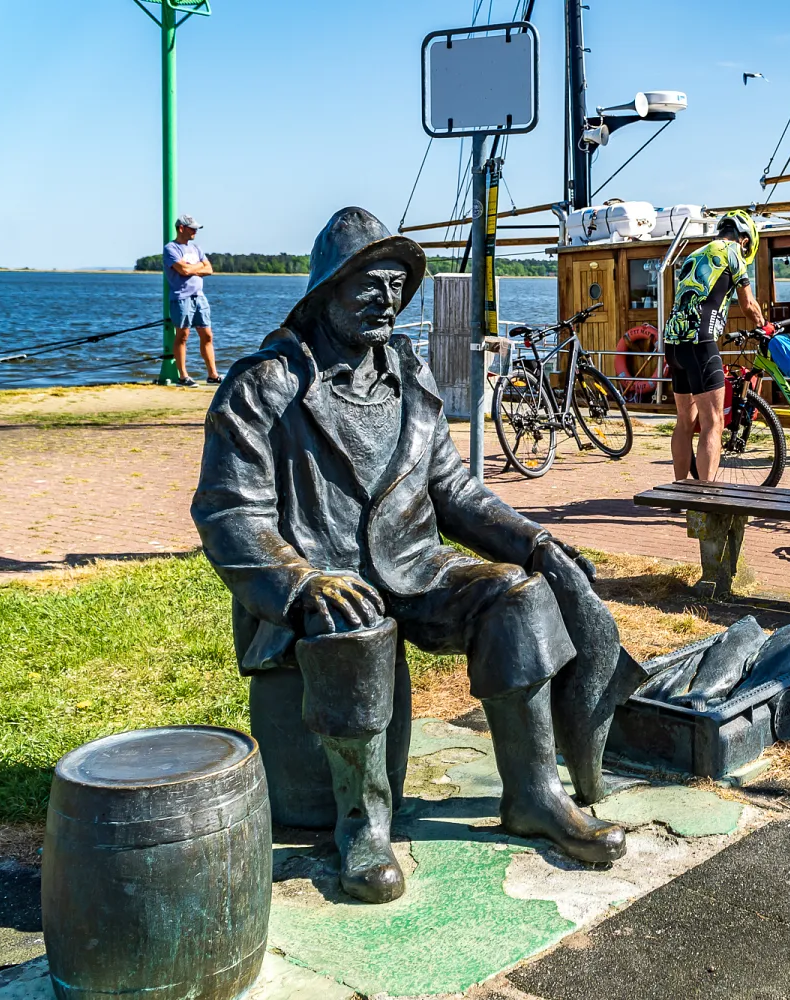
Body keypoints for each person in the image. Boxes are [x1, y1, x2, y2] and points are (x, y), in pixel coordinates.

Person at [193, 207, 633, 904]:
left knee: (519, 596)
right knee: (353, 618)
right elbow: (228, 513)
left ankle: (535, 793)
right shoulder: (263, 387)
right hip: (320, 579)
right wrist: (302, 582)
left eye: (398, 287)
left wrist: (534, 542)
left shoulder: (410, 374)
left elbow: (453, 491)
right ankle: (363, 827)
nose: (386, 300)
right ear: (323, 291)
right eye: (368, 284)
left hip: (413, 565)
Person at [663, 210, 766, 481]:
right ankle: (705, 502)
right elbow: (749, 305)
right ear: (745, 241)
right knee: (713, 422)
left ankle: (680, 492)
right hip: (701, 344)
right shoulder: (732, 252)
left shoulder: (695, 254)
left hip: (673, 344)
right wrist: (764, 326)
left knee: (685, 422)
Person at [164, 214, 219, 387]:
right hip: (181, 297)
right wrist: (198, 268)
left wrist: (192, 268)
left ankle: (213, 375)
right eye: (192, 228)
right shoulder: (170, 249)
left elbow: (209, 269)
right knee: (183, 335)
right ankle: (183, 376)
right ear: (181, 228)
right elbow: (183, 270)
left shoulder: (196, 248)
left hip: (199, 297)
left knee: (207, 334)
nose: (195, 231)